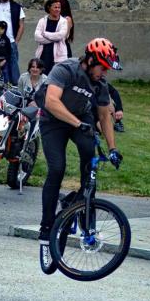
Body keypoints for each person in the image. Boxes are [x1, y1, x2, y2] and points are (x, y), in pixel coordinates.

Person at [34, 37, 123, 269]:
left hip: (80, 118)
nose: (104, 73)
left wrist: (113, 149)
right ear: (91, 59)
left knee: (89, 155)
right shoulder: (66, 69)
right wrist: (77, 123)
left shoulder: (100, 85)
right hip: (53, 120)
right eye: (102, 67)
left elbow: (104, 116)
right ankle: (46, 228)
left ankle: (83, 206)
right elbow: (52, 101)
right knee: (57, 168)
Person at [34, 0, 68, 75]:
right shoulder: (42, 21)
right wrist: (53, 38)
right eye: (55, 7)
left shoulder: (63, 21)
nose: (57, 10)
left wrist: (45, 34)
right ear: (49, 8)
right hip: (44, 55)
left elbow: (60, 36)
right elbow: (37, 37)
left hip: (58, 56)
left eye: (59, 7)